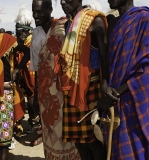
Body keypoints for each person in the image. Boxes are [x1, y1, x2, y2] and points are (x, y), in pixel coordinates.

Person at [97, 0, 149, 159]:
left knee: (139, 147)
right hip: (115, 101)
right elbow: (107, 64)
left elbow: (148, 68)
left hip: (136, 99)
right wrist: (105, 86)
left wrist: (116, 93)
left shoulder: (145, 19)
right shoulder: (113, 24)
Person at [28, 0, 80, 159]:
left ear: (50, 9)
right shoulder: (35, 34)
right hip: (45, 94)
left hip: (63, 91)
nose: (36, 15)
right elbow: (36, 68)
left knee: (67, 130)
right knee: (50, 130)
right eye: (33, 11)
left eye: (40, 11)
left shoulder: (63, 26)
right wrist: (36, 96)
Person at [59, 0, 108, 159]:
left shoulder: (95, 21)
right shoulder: (68, 25)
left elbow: (105, 58)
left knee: (94, 140)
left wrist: (105, 86)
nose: (63, 2)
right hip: (71, 88)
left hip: (91, 88)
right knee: (79, 142)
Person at [0, 7, 30, 160]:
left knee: (3, 140)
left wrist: (17, 69)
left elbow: (26, 51)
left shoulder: (6, 40)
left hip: (3, 94)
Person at [13, 6, 36, 137]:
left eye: (18, 32)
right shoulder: (25, 42)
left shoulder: (30, 42)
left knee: (32, 96)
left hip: (32, 75)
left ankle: (35, 122)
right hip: (27, 75)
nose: (16, 35)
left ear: (23, 32)